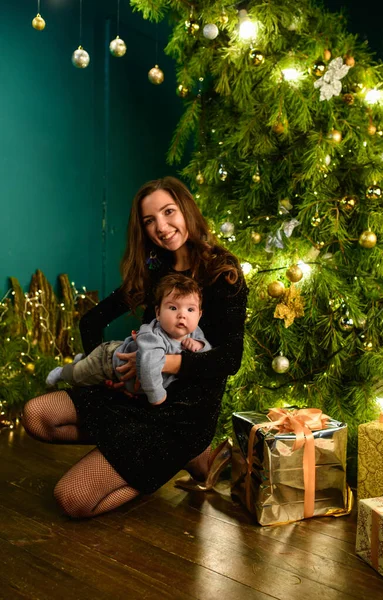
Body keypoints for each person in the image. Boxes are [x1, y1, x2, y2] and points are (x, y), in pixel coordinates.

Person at [22, 176, 248, 519]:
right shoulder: (155, 267)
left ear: (186, 209)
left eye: (169, 212)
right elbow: (92, 321)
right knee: (36, 417)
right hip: (134, 393)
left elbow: (231, 359)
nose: (162, 226)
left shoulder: (223, 272)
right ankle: (165, 456)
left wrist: (165, 364)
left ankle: (172, 458)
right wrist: (108, 375)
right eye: (149, 221)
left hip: (182, 413)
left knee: (72, 499)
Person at [45, 273, 212, 405]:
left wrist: (199, 344)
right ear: (158, 313)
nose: (182, 315)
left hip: (124, 373)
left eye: (190, 309)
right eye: (173, 308)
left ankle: (83, 358)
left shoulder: (194, 332)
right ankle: (62, 372)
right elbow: (148, 367)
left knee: (85, 365)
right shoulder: (153, 337)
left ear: (199, 315)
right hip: (108, 362)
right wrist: (157, 397)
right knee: (78, 376)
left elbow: (206, 354)